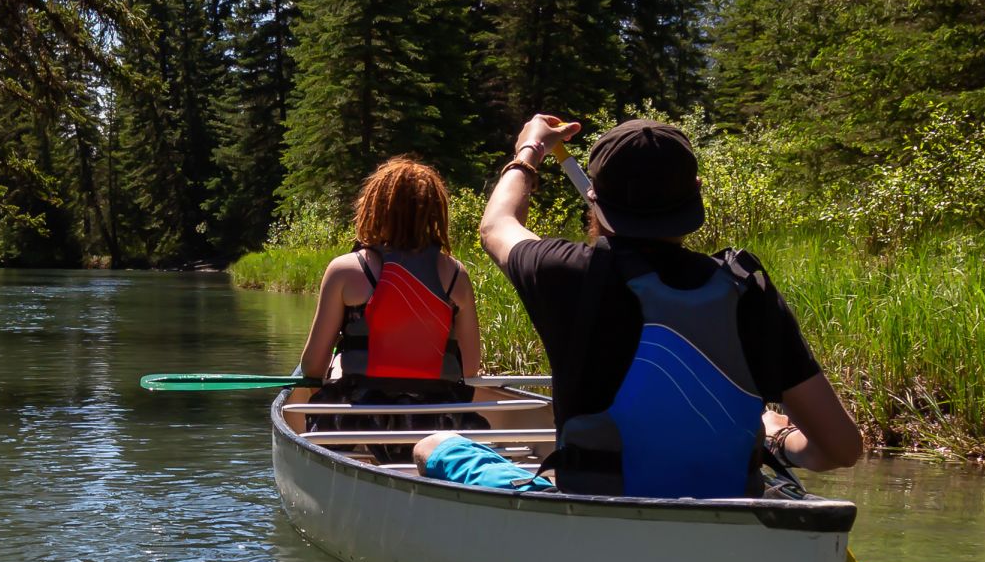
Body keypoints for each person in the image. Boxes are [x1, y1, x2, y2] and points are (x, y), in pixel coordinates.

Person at [471, 114, 862, 497]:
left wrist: (531, 149)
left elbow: (496, 225)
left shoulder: (563, 271)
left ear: (594, 196)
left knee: (433, 446)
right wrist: (779, 438)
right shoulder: (747, 289)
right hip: (725, 511)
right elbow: (841, 449)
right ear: (696, 190)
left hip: (600, 509)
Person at [295, 156, 484, 408]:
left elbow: (313, 367)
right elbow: (470, 368)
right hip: (436, 415)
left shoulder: (345, 270)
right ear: (434, 212)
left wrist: (338, 364)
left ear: (374, 208)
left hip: (362, 419)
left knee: (301, 371)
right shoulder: (455, 274)